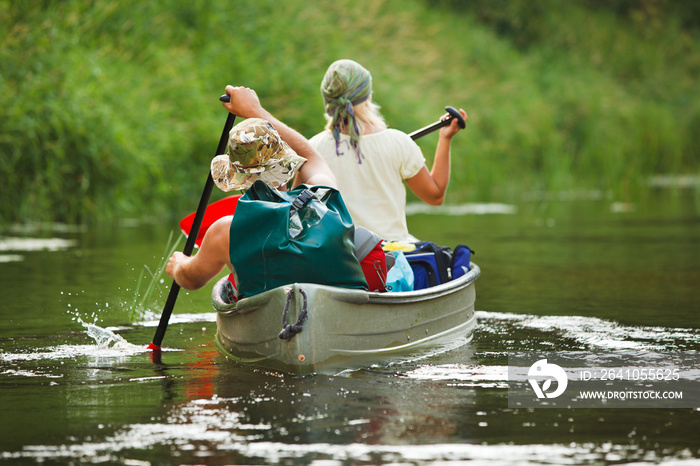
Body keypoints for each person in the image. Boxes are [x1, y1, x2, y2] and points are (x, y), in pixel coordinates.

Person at [166, 85, 338, 291]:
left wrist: (178, 265)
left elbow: (191, 279)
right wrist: (255, 111)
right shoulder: (322, 193)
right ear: (286, 164)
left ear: (238, 180)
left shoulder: (226, 230)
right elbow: (311, 157)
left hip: (273, 315)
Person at [309, 59, 468, 242]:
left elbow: (298, 206)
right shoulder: (397, 142)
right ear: (367, 96)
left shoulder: (313, 148)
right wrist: (445, 138)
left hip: (340, 256)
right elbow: (435, 196)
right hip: (390, 258)